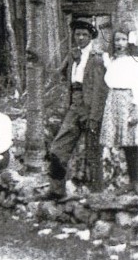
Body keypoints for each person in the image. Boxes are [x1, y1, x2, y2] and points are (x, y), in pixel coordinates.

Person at [48, 18, 109, 198]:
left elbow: (100, 90)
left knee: (93, 151)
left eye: (84, 34)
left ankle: (97, 194)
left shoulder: (97, 58)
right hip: (74, 104)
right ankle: (56, 191)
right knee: (58, 147)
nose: (80, 37)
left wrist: (95, 116)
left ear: (91, 37)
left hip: (90, 105)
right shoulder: (73, 55)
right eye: (77, 34)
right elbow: (61, 75)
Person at [100, 27, 138, 194]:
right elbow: (109, 77)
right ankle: (129, 181)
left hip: (129, 100)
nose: (119, 43)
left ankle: (136, 182)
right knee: (122, 142)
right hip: (114, 100)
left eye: (123, 39)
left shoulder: (134, 60)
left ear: (129, 41)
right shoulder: (112, 60)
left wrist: (136, 107)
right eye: (116, 40)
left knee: (131, 142)